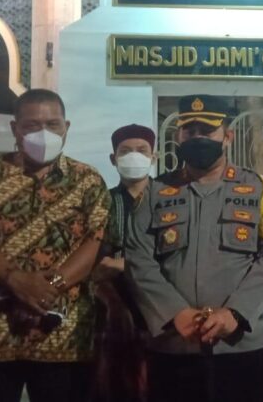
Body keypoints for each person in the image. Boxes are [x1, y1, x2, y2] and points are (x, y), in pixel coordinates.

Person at [124, 95, 263, 402]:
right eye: (190, 131)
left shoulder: (259, 189)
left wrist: (236, 313)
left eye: (207, 130)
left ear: (227, 137)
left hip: (239, 345)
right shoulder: (155, 192)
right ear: (179, 137)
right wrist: (175, 312)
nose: (198, 138)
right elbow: (138, 258)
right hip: (174, 344)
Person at [0, 89, 111, 402]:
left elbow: (98, 241)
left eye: (52, 124)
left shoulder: (87, 180)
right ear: (15, 129)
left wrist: (51, 286)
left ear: (66, 127)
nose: (43, 133)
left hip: (64, 337)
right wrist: (15, 279)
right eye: (32, 125)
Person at [91, 124, 157, 402]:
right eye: (125, 151)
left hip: (160, 310)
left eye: (142, 150)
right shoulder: (102, 203)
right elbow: (97, 265)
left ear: (154, 157)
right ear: (113, 158)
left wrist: (123, 263)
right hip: (115, 313)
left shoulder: (171, 201)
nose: (134, 156)